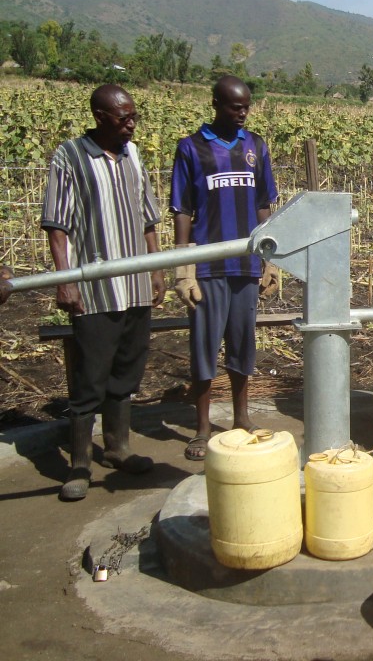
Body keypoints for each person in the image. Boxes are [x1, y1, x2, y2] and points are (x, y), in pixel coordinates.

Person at [41, 84, 165, 501]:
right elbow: (57, 226)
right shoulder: (71, 156)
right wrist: (65, 279)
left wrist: (156, 267)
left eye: (133, 115)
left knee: (127, 369)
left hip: (134, 286)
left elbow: (148, 217)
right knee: (90, 376)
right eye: (123, 117)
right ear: (99, 115)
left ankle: (117, 447)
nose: (131, 123)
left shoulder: (132, 155)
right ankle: (78, 463)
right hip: (94, 291)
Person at [170, 75, 279, 461]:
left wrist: (270, 257)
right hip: (208, 268)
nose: (243, 113)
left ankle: (241, 418)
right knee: (203, 347)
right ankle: (201, 428)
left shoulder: (255, 146)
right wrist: (184, 263)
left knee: (242, 345)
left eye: (247, 106)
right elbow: (183, 209)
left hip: (246, 266)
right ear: (215, 104)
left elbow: (264, 204)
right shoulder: (192, 148)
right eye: (236, 107)